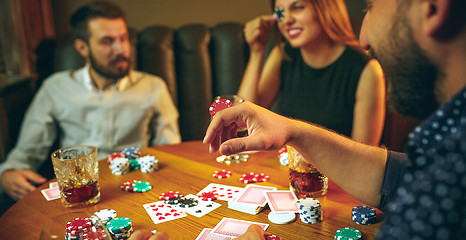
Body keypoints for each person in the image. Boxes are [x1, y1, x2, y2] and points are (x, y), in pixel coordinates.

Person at [203, 0, 466, 239]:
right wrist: (293, 130)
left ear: (431, 7)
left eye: (370, 7)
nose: (364, 39)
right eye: (281, 12)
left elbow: (367, 156)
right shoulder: (444, 142)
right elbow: (400, 176)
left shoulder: (450, 169)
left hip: (334, 197)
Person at [0, 1, 181, 203]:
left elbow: (170, 152)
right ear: (82, 47)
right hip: (79, 192)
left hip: (139, 189)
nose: (120, 49)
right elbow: (26, 151)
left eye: (123, 39)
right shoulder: (55, 88)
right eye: (107, 41)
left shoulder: (154, 86)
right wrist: (7, 174)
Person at [238, 0, 385, 146]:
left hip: (336, 170)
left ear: (325, 9)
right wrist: (256, 52)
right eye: (280, 13)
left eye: (298, 8)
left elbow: (364, 158)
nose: (287, 20)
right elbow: (242, 122)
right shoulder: (283, 55)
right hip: (289, 166)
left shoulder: (367, 70)